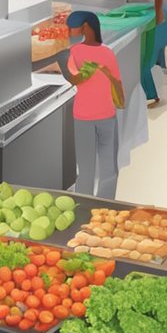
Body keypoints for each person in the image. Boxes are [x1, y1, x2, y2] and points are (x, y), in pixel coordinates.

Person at [61, 11, 123, 199]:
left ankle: (84, 207)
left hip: (83, 117)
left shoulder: (74, 52)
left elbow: (74, 79)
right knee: (109, 168)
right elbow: (118, 86)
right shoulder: (107, 53)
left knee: (86, 168)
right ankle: (106, 207)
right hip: (106, 115)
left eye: (73, 26)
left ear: (85, 27)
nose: (70, 31)